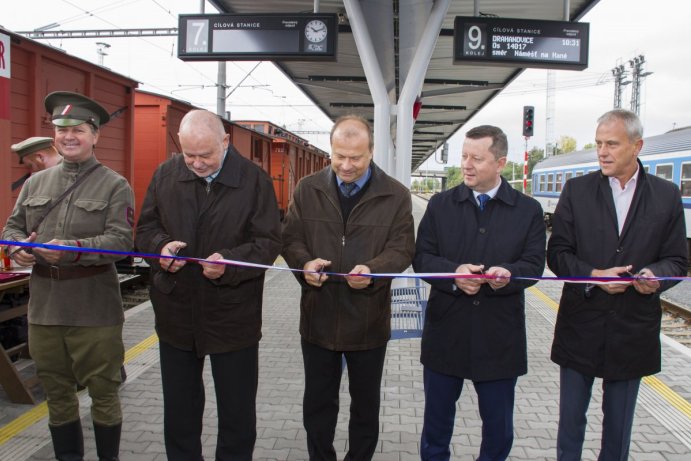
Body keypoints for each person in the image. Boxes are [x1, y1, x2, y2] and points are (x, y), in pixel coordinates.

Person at [135, 109, 282, 460]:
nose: (197, 164)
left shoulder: (254, 180)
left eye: (205, 155)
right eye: (189, 155)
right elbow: (145, 229)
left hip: (233, 314)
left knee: (236, 412)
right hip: (176, 313)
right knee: (180, 411)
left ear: (226, 142)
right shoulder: (165, 175)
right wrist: (159, 249)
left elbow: (269, 243)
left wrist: (229, 263)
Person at [547, 109, 688, 461]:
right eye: (598, 144)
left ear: (637, 146)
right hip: (581, 324)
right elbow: (558, 254)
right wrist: (593, 276)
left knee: (619, 428)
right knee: (570, 425)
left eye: (611, 143)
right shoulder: (577, 190)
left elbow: (678, 261)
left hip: (632, 330)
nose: (602, 152)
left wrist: (656, 278)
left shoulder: (666, 195)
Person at [2, 91, 135, 461]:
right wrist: (18, 248)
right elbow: (11, 229)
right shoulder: (35, 184)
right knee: (57, 395)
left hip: (94, 309)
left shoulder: (114, 184)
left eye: (77, 129)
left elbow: (121, 242)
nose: (68, 136)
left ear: (95, 135)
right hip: (45, 308)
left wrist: (73, 247)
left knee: (103, 393)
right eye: (61, 130)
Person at [282, 114, 415, 461]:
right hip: (318, 318)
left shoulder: (396, 196)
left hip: (368, 322)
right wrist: (304, 264)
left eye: (355, 157)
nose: (346, 165)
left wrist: (374, 270)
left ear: (371, 152)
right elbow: (291, 238)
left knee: (365, 408)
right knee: (318, 406)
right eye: (339, 155)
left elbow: (402, 248)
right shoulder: (307, 189)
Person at [413, 125, 546, 461]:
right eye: (464, 156)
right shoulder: (441, 204)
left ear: (501, 163)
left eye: (477, 158)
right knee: (435, 429)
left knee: (498, 431)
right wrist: (453, 275)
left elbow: (533, 265)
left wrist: (509, 275)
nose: (467, 165)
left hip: (499, 339)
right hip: (446, 335)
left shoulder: (527, 210)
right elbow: (422, 258)